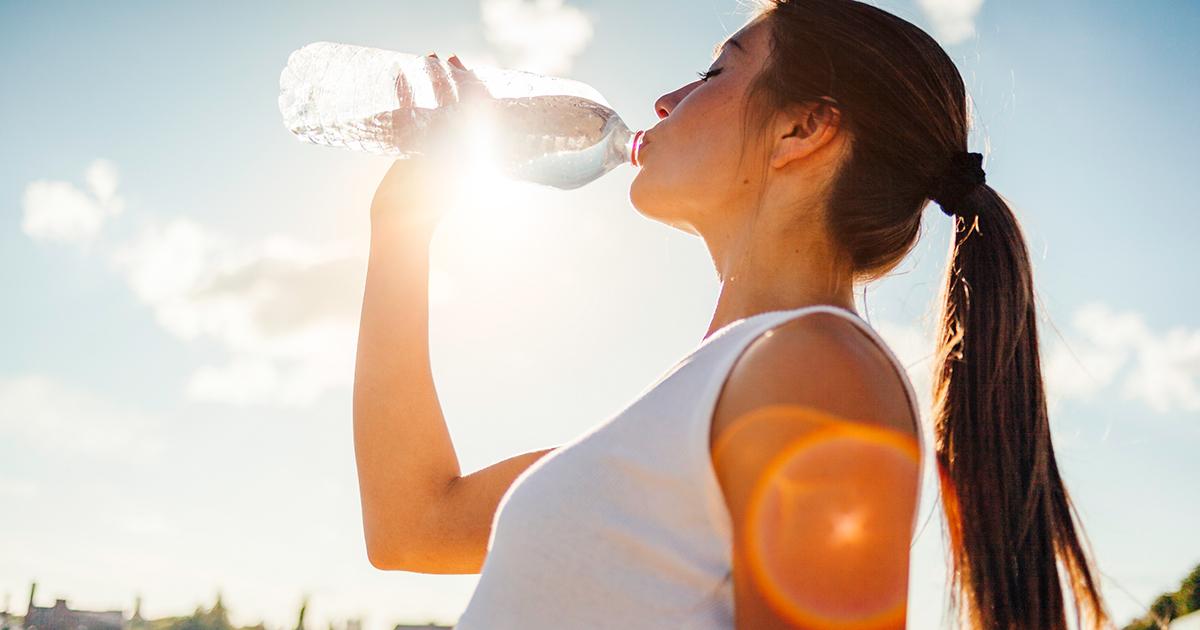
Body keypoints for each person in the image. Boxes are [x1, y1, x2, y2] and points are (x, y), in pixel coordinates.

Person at [353, 1, 1112, 628]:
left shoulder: (817, 370)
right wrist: (401, 228)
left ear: (801, 130)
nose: (665, 101)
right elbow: (413, 525)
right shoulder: (719, 389)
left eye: (715, 72)